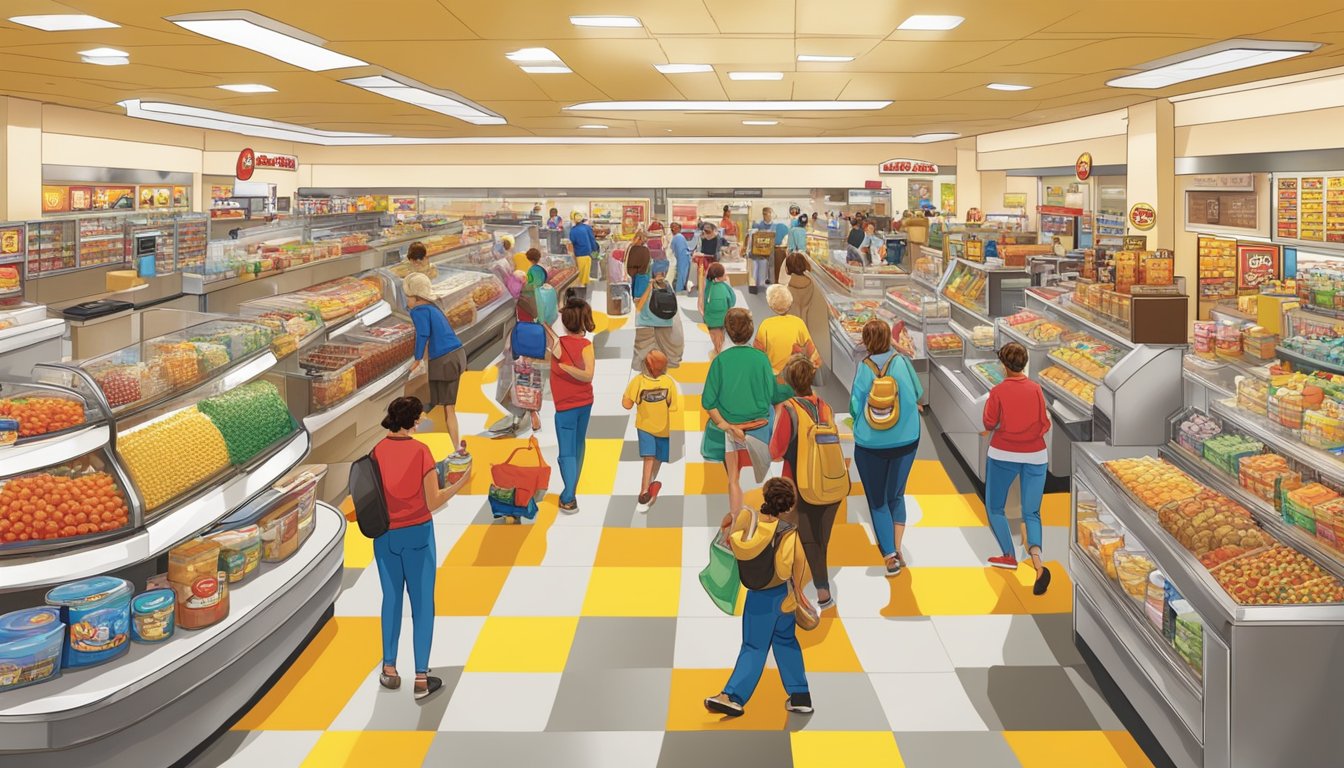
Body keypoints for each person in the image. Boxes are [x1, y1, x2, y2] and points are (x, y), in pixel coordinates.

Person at [704, 477, 814, 718]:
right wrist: (799, 595)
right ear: (788, 507)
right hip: (784, 595)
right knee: (786, 642)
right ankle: (800, 696)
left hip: (759, 598)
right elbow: (801, 567)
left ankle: (733, 696)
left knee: (754, 646)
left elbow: (727, 532)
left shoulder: (748, 527)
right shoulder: (789, 533)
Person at [372, 396, 455, 701]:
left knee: (391, 600)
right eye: (418, 418)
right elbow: (433, 500)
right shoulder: (421, 452)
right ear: (411, 421)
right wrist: (459, 483)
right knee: (422, 605)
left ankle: (389, 669)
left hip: (385, 537)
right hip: (417, 534)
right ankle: (421, 678)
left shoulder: (376, 451)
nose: (420, 422)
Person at [849, 319, 923, 576]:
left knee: (877, 500)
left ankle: (889, 556)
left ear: (866, 342)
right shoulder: (902, 363)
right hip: (907, 440)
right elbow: (917, 392)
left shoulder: (864, 368)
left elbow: (855, 405)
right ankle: (899, 547)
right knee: (896, 495)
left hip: (871, 444)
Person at [703, 308, 793, 515]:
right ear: (751, 331)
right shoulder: (760, 359)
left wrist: (726, 426)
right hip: (760, 425)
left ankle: (736, 520)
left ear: (727, 331)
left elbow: (708, 403)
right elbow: (773, 394)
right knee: (767, 471)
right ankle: (771, 515)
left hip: (732, 428)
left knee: (733, 478)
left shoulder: (720, 361)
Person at [981, 342, 1052, 594]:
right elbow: (1045, 423)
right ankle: (1038, 563)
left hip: (1003, 453)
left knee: (995, 507)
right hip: (1036, 456)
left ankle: (1008, 555)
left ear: (1003, 365)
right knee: (1032, 512)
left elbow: (989, 420)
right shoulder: (1035, 389)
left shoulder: (998, 391)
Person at [770, 355, 840, 609]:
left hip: (801, 483)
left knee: (804, 539)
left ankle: (819, 593)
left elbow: (776, 451)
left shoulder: (789, 409)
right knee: (821, 540)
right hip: (831, 482)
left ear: (789, 382)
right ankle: (812, 584)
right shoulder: (826, 406)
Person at [404, 273, 466, 453]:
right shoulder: (433, 307)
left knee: (447, 407)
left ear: (416, 298)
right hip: (457, 355)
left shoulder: (418, 311)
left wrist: (416, 359)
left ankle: (455, 448)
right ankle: (447, 444)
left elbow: (422, 334)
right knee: (444, 405)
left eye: (407, 297)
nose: (406, 302)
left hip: (444, 360)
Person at [546, 297, 596, 511]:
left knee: (566, 451)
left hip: (565, 407)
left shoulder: (557, 346)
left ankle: (568, 496)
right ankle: (572, 489)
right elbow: (588, 375)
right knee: (578, 445)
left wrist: (565, 368)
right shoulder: (586, 346)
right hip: (585, 403)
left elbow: (588, 375)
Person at [623, 349, 680, 512]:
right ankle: (645, 489)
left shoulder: (638, 381)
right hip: (663, 428)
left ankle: (647, 485)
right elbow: (673, 406)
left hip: (644, 427)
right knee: (655, 458)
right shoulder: (668, 383)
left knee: (650, 457)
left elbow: (627, 404)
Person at [780, 252, 832, 373]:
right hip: (814, 344)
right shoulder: (817, 289)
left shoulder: (784, 293)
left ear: (787, 268)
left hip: (793, 348)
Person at [754, 284, 821, 374]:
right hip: (794, 372)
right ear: (790, 303)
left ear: (770, 304)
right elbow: (811, 349)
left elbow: (758, 352)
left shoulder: (765, 325)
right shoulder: (798, 322)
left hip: (774, 374)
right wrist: (813, 365)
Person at [632, 260, 685, 371]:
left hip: (648, 323)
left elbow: (638, 306)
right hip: (665, 322)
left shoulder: (647, 284)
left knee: (644, 351)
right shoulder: (667, 286)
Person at [699, 262, 736, 357]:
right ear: (718, 278)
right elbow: (732, 301)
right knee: (720, 341)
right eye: (724, 274)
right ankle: (719, 355)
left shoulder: (708, 285)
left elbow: (702, 302)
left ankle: (715, 352)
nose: (726, 275)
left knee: (714, 339)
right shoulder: (724, 288)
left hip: (709, 320)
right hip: (722, 320)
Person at [690, 222, 722, 293]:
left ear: (713, 230)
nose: (705, 233)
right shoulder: (703, 238)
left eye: (708, 231)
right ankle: (701, 287)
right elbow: (698, 248)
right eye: (704, 230)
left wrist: (703, 255)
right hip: (704, 260)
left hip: (711, 261)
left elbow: (715, 255)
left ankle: (709, 288)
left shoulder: (717, 238)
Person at [569, 211, 599, 287]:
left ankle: (581, 291)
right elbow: (592, 241)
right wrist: (595, 254)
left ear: (573, 220)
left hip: (579, 255)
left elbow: (572, 243)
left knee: (581, 276)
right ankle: (585, 288)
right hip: (588, 254)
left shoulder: (573, 230)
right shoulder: (587, 228)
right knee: (586, 274)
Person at [670, 222, 693, 294]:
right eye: (672, 227)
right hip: (683, 259)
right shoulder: (678, 237)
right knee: (682, 275)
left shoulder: (678, 237)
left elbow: (672, 250)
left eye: (675, 227)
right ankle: (679, 290)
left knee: (681, 276)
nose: (673, 229)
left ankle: (679, 291)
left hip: (682, 259)